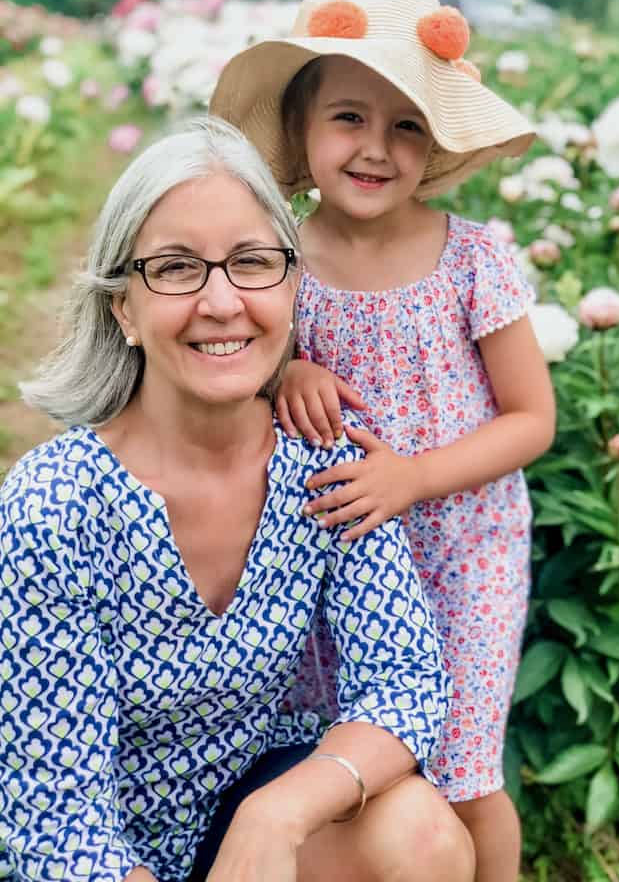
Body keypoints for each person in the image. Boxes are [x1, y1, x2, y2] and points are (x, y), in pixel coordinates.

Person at [0, 118, 476, 882]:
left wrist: (274, 816)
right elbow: (58, 814)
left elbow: (405, 680)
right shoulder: (56, 507)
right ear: (123, 306)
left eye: (252, 263)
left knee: (424, 836)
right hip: (93, 857)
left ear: (291, 285)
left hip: (249, 829)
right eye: (178, 269)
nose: (221, 302)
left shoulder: (323, 459)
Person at [210, 0, 556, 882]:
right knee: (363, 754)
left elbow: (532, 420)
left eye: (407, 125)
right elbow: (230, 372)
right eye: (349, 118)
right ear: (301, 131)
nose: (377, 148)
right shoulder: (276, 260)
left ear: (437, 143)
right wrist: (289, 367)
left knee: (466, 769)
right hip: (334, 557)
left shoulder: (472, 258)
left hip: (465, 551)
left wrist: (413, 477)